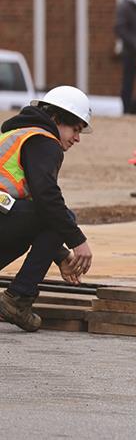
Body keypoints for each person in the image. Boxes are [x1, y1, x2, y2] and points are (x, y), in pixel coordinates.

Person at [0, 87, 94, 331]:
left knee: (39, 226)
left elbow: (34, 210)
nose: (77, 138)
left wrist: (60, 256)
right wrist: (77, 241)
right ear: (56, 119)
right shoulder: (43, 141)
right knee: (63, 217)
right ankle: (18, 298)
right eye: (75, 129)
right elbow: (48, 200)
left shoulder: (19, 134)